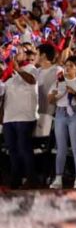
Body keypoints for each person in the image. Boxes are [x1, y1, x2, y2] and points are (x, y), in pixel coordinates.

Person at [48, 56, 76, 189]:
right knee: (61, 148)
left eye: (71, 65)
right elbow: (50, 100)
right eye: (66, 65)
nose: (67, 68)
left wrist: (74, 93)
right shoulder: (58, 82)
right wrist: (58, 93)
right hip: (60, 113)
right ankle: (58, 177)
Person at [0, 49, 39, 188]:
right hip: (9, 117)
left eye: (19, 52)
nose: (15, 54)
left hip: (25, 116)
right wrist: (2, 115)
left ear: (26, 56)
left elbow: (32, 81)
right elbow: (4, 95)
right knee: (12, 150)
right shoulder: (8, 73)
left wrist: (19, 70)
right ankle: (16, 179)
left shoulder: (32, 68)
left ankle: (31, 179)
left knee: (24, 149)